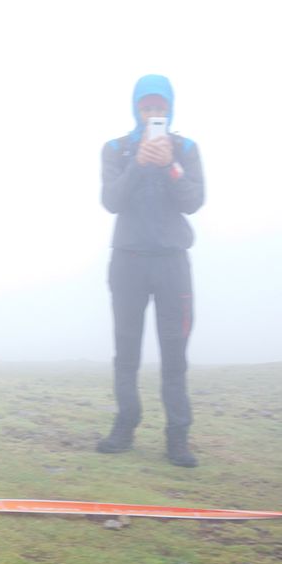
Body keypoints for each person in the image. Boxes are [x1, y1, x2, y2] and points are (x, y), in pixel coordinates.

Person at [97, 74, 206, 467]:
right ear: (136, 109)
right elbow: (111, 200)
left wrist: (170, 166)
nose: (153, 113)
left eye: (159, 107)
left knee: (174, 353)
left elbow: (194, 201)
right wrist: (138, 164)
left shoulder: (185, 149)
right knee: (126, 350)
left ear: (169, 110)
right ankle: (125, 426)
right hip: (128, 262)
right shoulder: (116, 149)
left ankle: (178, 437)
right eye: (147, 107)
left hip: (172, 263)